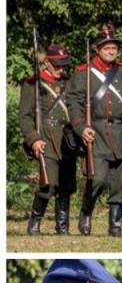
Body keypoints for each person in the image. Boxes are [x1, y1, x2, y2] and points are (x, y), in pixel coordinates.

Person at [66, 25, 122, 237]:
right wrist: (82, 127)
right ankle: (86, 211)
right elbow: (73, 103)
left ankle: (115, 225)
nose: (112, 51)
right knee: (98, 179)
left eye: (114, 47)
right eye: (107, 47)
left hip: (119, 133)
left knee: (121, 185)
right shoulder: (84, 72)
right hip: (96, 132)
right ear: (98, 49)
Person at [20, 43, 78, 235]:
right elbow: (25, 116)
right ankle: (34, 222)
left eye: (64, 65)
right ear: (47, 63)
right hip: (46, 137)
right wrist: (33, 139)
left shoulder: (69, 83)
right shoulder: (33, 83)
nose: (62, 69)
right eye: (58, 65)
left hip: (67, 139)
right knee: (49, 183)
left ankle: (62, 227)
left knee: (67, 184)